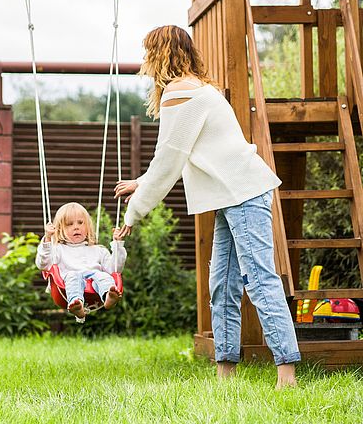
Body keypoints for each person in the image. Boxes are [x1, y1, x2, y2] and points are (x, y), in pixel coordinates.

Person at [114, 25, 300, 388]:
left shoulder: (180, 94)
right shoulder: (194, 89)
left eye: (146, 52)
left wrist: (134, 212)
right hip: (231, 195)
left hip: (241, 194)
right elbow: (178, 153)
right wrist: (142, 182)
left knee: (259, 280)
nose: (143, 62)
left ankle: (287, 375)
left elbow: (169, 160)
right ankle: (225, 374)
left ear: (160, 53)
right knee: (222, 283)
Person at [35, 202, 126, 321]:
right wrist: (47, 239)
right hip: (67, 287)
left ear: (88, 226)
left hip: (95, 285)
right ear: (59, 229)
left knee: (103, 276)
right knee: (73, 276)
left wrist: (118, 244)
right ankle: (76, 304)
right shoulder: (57, 249)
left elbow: (114, 269)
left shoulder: (98, 250)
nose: (76, 227)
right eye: (69, 224)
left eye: (80, 223)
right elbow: (43, 264)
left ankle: (109, 296)